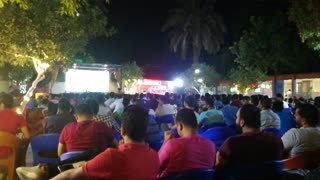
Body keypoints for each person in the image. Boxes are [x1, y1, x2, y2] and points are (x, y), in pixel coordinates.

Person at [51, 105, 160, 179]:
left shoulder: (112, 157)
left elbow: (70, 175)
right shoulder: (155, 157)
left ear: (123, 131)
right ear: (146, 130)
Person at [216, 104, 283, 170]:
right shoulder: (275, 140)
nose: (235, 121)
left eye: (237, 117)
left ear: (242, 122)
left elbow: (218, 166)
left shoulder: (232, 143)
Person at [158, 108, 215, 178]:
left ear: (180, 126)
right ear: (197, 125)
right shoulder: (211, 145)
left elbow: (155, 166)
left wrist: (165, 142)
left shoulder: (172, 144)